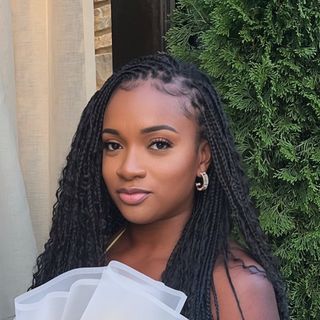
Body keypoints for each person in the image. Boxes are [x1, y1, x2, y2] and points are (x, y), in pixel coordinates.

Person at [30, 53, 288, 319]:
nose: (128, 168)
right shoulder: (85, 252)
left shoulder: (238, 289)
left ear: (202, 157)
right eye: (113, 145)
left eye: (159, 144)